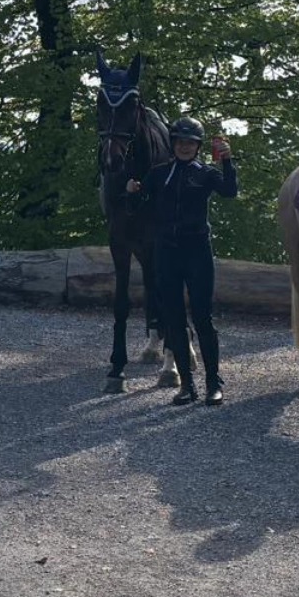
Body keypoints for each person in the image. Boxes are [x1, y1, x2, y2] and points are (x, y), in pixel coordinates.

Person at [128, 117, 237, 406]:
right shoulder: (158, 173)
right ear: (172, 144)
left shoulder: (205, 174)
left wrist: (227, 161)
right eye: (180, 142)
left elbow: (229, 191)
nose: (185, 147)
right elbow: (137, 207)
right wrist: (131, 192)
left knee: (203, 318)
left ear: (198, 146)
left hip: (197, 250)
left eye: (190, 143)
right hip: (166, 252)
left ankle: (214, 383)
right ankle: (187, 385)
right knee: (174, 319)